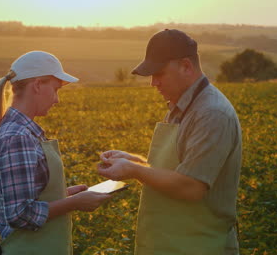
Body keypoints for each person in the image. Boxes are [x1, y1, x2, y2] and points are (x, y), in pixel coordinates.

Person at [98, 29, 242, 254]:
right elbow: (174, 170)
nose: (153, 83)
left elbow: (191, 186)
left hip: (200, 245)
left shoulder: (211, 113)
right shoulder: (180, 106)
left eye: (159, 74)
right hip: (173, 243)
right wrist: (134, 161)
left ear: (186, 66)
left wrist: (133, 170)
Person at [0, 51, 111, 255]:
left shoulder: (16, 130)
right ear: (37, 86)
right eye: (56, 89)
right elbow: (20, 213)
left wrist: (65, 195)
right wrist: (74, 203)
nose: (56, 100)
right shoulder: (17, 136)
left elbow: (27, 196)